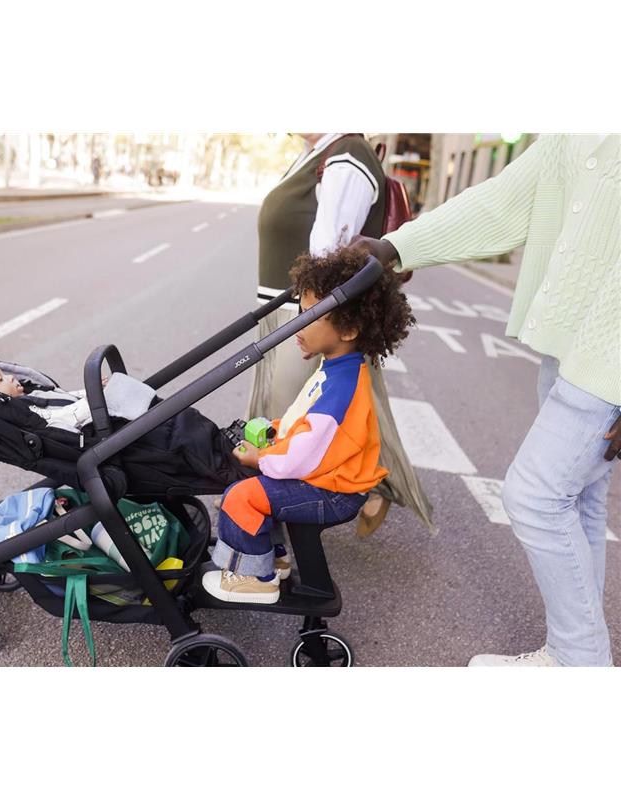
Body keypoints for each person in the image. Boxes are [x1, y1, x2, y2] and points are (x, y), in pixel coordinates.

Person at [352, 134, 620, 666]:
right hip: (568, 338)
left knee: (535, 496)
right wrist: (397, 247)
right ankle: (570, 652)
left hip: (609, 352)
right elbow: (504, 201)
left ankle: (581, 664)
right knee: (579, 502)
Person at [203, 247, 416, 603]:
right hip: (328, 479)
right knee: (257, 485)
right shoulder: (339, 368)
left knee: (241, 496)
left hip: (332, 492)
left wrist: (261, 458)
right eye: (302, 313)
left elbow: (303, 453)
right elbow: (304, 424)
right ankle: (273, 558)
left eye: (312, 317)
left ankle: (254, 578)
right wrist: (274, 432)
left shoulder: (339, 389)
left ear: (348, 329)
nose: (299, 324)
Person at [249, 133, 434, 537]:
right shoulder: (314, 153)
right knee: (323, 410)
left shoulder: (348, 152)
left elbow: (330, 249)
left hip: (307, 313)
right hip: (289, 308)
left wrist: (313, 320)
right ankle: (359, 486)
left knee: (298, 412)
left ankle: (275, 524)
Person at [0, 359, 155, 434]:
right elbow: (64, 418)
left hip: (106, 412)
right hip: (101, 427)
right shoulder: (26, 413)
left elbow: (68, 397)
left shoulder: (34, 393)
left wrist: (91, 390)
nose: (10, 377)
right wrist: (93, 397)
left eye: (4, 374)